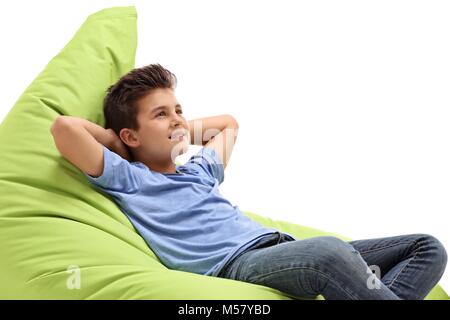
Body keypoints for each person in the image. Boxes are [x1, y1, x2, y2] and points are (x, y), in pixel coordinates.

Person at [50, 64, 447, 300]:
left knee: (426, 248)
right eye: (160, 114)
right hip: (238, 265)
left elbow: (229, 124)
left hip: (283, 249)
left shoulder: (198, 170)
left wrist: (177, 127)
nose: (175, 119)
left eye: (179, 109)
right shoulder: (132, 179)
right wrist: (120, 142)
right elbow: (65, 129)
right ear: (130, 136)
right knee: (329, 251)